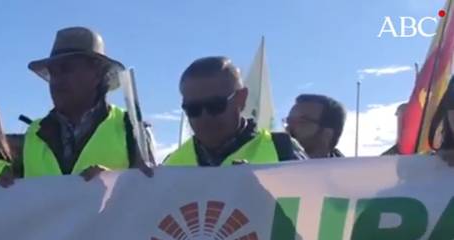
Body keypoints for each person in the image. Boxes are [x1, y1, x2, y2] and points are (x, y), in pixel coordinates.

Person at [23, 27, 150, 178]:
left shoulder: (132, 128)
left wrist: (115, 183)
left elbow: (153, 192)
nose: (56, 81)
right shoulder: (34, 132)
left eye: (66, 69)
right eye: (53, 72)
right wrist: (6, 185)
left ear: (98, 73)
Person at [164, 57, 305, 166]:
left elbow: (315, 200)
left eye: (215, 105)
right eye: (193, 109)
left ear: (241, 99)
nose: (204, 116)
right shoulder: (171, 165)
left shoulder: (282, 150)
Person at [285, 94, 346, 158]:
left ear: (327, 133)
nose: (288, 128)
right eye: (289, 122)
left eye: (301, 122)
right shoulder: (277, 165)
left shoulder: (349, 167)